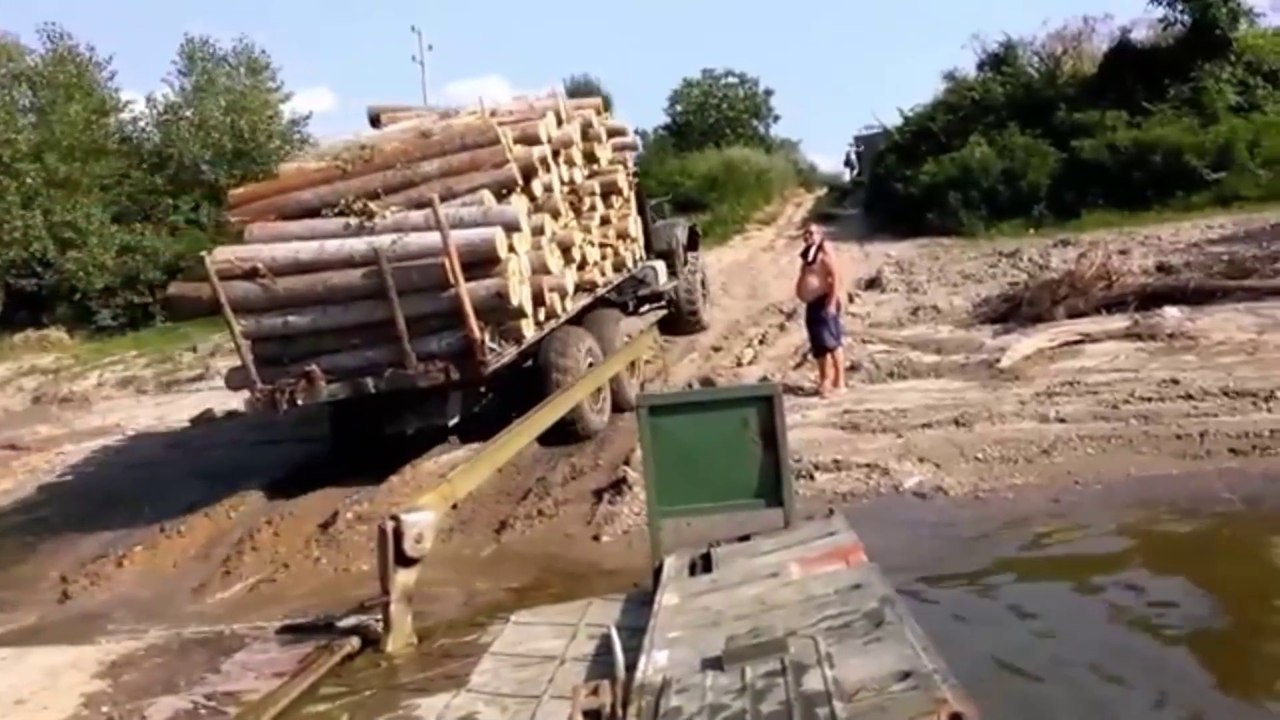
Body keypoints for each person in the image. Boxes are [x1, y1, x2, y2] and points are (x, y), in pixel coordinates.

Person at [795, 224, 846, 396]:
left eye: (812, 233)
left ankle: (839, 382)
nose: (808, 236)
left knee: (831, 342)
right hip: (813, 303)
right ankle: (825, 380)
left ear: (820, 235)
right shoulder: (809, 254)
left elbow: (836, 276)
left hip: (824, 301)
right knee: (819, 345)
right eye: (806, 233)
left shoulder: (825, 253)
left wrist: (831, 302)